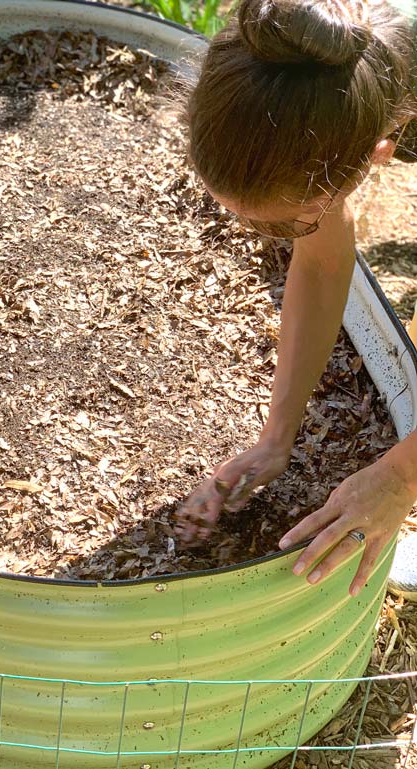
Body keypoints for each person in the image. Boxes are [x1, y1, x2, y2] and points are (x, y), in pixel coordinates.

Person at [174, 0, 417, 598]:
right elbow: (326, 258)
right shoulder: (297, 50)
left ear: (376, 154)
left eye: (290, 223)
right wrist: (278, 434)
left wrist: (396, 480)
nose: (272, 239)